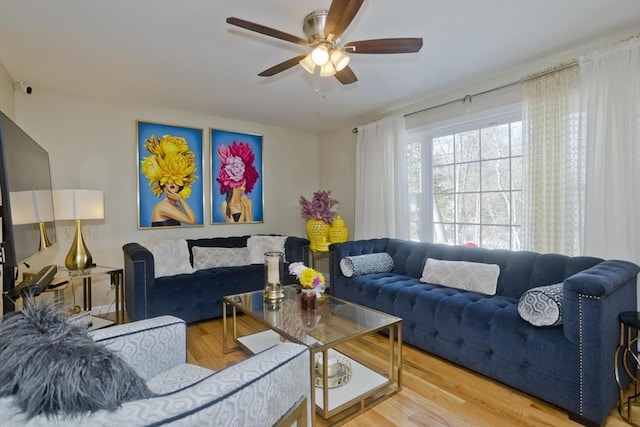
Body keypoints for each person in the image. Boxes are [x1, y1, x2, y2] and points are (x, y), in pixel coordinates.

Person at [141, 134, 198, 227]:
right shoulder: (162, 206)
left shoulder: (176, 208)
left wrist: (180, 200)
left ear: (180, 186)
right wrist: (181, 199)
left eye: (176, 181)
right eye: (168, 181)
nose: (172, 183)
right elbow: (192, 221)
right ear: (163, 186)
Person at [216, 141, 259, 223]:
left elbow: (250, 224)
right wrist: (243, 208)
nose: (245, 182)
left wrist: (246, 206)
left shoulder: (248, 201)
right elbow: (234, 225)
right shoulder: (225, 205)